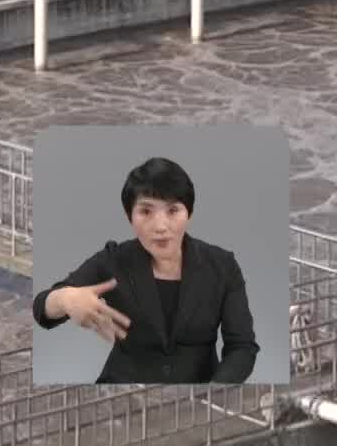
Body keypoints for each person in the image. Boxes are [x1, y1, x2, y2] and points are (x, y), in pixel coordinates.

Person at [32, 157, 259, 384]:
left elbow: (242, 346)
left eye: (173, 210)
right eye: (146, 211)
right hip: (122, 396)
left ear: (188, 213)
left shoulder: (222, 265)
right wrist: (66, 299)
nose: (161, 226)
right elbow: (41, 306)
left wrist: (215, 392)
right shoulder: (114, 260)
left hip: (200, 399)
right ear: (129, 215)